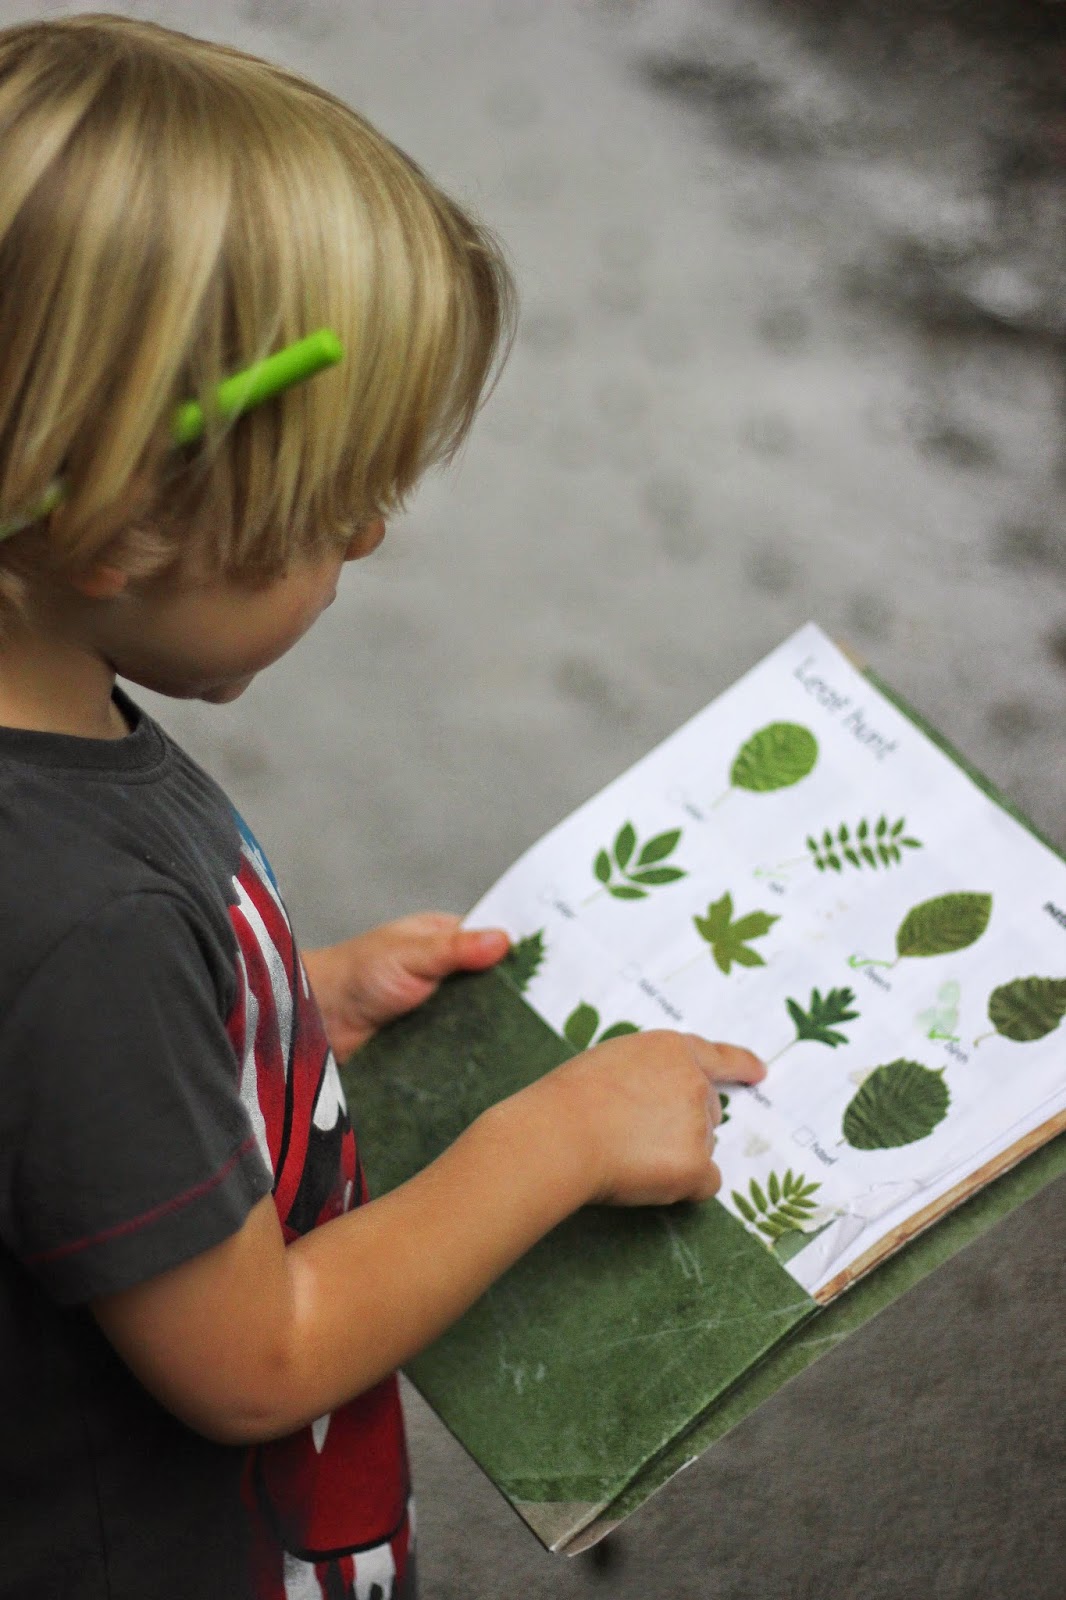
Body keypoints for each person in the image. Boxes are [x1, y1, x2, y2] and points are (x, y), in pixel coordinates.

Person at [0, 14, 765, 1600]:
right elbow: (254, 1362)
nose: (368, 550)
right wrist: (551, 1141)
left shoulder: (56, 792)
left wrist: (283, 1023)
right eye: (334, 515)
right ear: (122, 533)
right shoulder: (77, 915)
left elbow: (57, 1108)